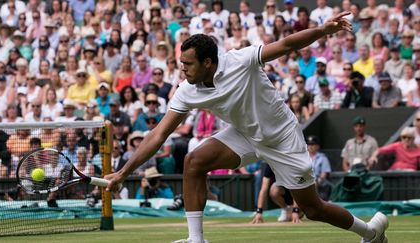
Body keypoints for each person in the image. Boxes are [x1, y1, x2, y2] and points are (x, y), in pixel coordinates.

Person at [105, 13, 389, 243]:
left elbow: (287, 44)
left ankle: (370, 232)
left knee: (312, 208)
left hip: (282, 138)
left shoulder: (240, 60)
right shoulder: (186, 90)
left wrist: (323, 31)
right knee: (194, 161)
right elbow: (159, 134)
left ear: (208, 62)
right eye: (181, 64)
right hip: (245, 134)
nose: (183, 70)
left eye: (188, 64)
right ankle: (196, 239)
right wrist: (124, 172)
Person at [306, 135, 332, 201]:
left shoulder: (322, 158)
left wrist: (318, 181)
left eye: (313, 144)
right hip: (305, 180)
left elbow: (324, 174)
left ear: (318, 146)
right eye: (309, 144)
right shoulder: (303, 158)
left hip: (319, 182)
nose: (310, 146)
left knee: (313, 183)